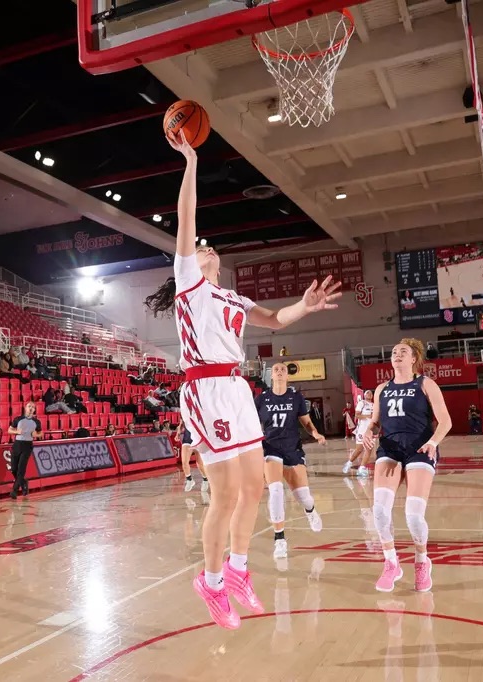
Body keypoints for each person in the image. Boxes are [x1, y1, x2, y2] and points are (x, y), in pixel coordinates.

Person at [142, 130, 340, 630]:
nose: (205, 248)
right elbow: (187, 218)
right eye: (200, 248)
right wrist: (189, 161)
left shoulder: (232, 299)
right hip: (205, 387)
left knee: (254, 486)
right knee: (226, 493)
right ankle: (208, 582)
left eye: (209, 248)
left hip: (236, 388)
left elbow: (274, 321)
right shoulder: (190, 286)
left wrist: (306, 305)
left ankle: (237, 571)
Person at [361, 338, 451, 593]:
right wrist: (369, 430)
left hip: (420, 448)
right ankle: (391, 563)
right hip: (390, 448)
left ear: (414, 359)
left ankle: (422, 561)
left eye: (403, 352)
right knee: (379, 511)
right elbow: (376, 421)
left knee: (413, 515)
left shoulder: (425, 384)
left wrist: (434, 442)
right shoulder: (381, 389)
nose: (397, 354)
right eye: (394, 352)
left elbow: (445, 421)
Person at [257, 362, 325, 562]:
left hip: (293, 448)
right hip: (270, 447)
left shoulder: (296, 398)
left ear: (288, 376)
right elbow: (253, 423)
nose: (279, 371)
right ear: (271, 375)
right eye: (276, 369)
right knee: (276, 490)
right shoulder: (261, 398)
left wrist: (315, 433)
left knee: (304, 497)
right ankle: (280, 539)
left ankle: (310, 511)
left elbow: (306, 422)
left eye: (282, 370)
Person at [7, 402, 43, 499]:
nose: (31, 408)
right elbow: (9, 430)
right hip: (17, 444)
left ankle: (14, 490)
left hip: (27, 445)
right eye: (29, 406)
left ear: (34, 410)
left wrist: (36, 435)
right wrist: (16, 432)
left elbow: (41, 433)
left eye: (33, 407)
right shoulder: (18, 419)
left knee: (21, 470)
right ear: (25, 408)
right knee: (14, 469)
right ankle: (23, 483)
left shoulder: (36, 422)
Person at [342, 390, 375, 477]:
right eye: (368, 393)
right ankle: (349, 463)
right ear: (364, 395)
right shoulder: (362, 403)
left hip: (370, 431)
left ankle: (362, 468)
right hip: (362, 430)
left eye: (371, 393)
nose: (370, 394)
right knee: (359, 449)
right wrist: (368, 416)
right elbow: (357, 415)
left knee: (369, 449)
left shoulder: (374, 405)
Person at [177, 421, 207, 493]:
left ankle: (205, 479)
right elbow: (182, 422)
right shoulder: (185, 410)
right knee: (184, 462)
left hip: (198, 439)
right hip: (187, 439)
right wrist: (178, 432)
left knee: (200, 464)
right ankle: (189, 479)